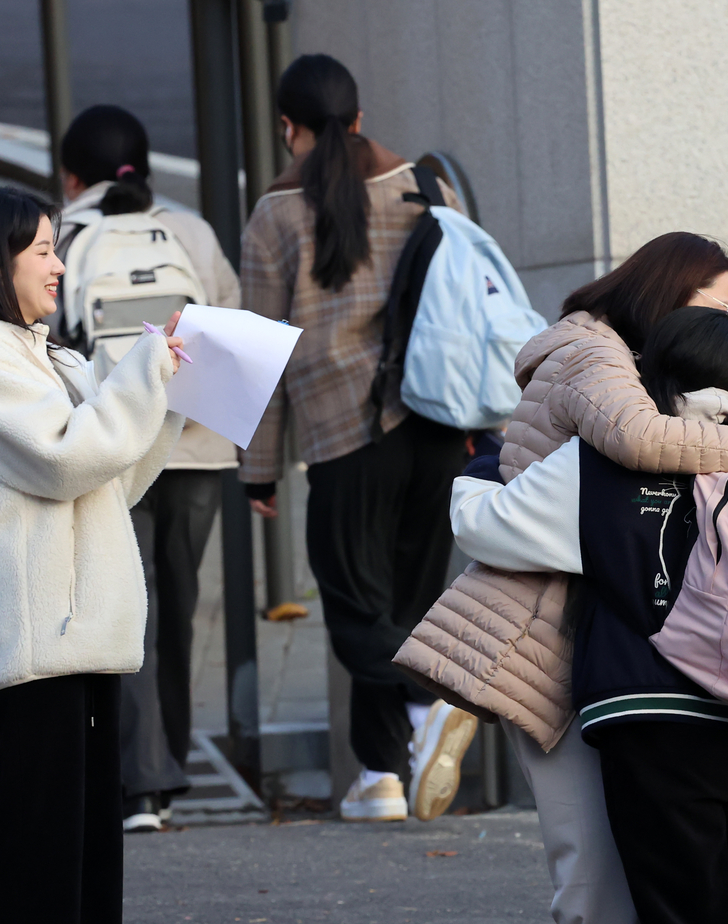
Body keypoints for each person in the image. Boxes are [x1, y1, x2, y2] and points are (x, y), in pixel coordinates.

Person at [398, 232, 728, 924]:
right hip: (559, 630)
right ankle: (463, 693)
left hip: (602, 629)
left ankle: (465, 696)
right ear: (662, 291)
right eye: (713, 308)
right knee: (594, 879)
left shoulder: (635, 366)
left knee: (616, 877)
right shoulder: (592, 351)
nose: (723, 325)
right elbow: (635, 439)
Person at [237, 53, 474, 822]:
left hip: (345, 437)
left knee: (354, 612)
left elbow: (260, 353)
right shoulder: (426, 185)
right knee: (407, 602)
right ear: (361, 118)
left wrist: (259, 469)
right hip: (436, 421)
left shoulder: (273, 212)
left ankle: (428, 697)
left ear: (287, 127)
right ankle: (379, 777)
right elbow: (468, 306)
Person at [0, 185, 186, 923]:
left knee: (82, 854)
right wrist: (144, 374)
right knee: (42, 857)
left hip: (76, 636)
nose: (57, 266)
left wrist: (168, 393)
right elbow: (65, 459)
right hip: (37, 638)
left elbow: (115, 474)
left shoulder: (44, 355)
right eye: (43, 249)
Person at [57, 103, 243, 832]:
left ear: (72, 172)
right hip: (193, 445)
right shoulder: (189, 231)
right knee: (179, 604)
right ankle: (169, 766)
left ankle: (142, 784)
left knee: (126, 605)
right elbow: (229, 331)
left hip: (111, 446)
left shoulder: (62, 233)